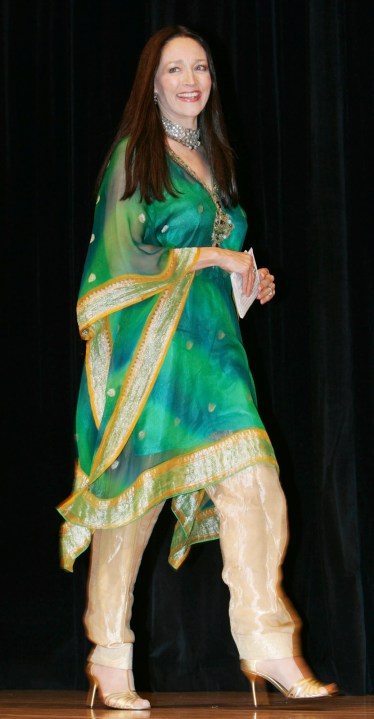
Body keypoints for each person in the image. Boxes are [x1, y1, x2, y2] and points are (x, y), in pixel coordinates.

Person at [58, 25, 339, 710]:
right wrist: (211, 260)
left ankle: (268, 642)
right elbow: (117, 265)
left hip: (214, 353)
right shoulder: (135, 156)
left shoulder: (214, 157)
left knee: (256, 482)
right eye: (176, 69)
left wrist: (248, 280)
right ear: (152, 84)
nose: (192, 80)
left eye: (202, 68)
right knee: (134, 505)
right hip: (148, 358)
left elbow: (220, 255)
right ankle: (111, 651)